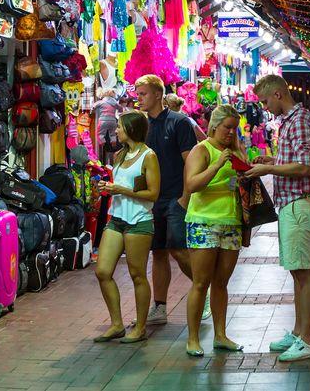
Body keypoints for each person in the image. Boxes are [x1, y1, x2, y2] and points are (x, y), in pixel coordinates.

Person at [245, 75, 310, 362]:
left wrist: (269, 171)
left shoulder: (299, 121)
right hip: (292, 202)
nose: (265, 108)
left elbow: (303, 166)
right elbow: (294, 161)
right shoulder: (291, 121)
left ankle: (307, 338)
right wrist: (272, 162)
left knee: (303, 270)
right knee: (296, 270)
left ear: (278, 94)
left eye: (265, 101)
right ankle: (297, 331)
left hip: (300, 202)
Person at [133, 74, 207, 325]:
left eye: (142, 94)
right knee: (158, 252)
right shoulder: (140, 125)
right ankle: (160, 307)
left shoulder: (179, 123)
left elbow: (191, 162)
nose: (138, 98)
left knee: (178, 248)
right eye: (137, 93)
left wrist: (185, 197)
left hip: (175, 197)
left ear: (157, 94)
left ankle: (202, 289)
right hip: (151, 199)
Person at [183, 105, 245, 357]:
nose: (231, 133)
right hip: (203, 222)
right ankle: (193, 338)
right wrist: (218, 164)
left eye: (234, 128)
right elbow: (192, 185)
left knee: (221, 282)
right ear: (214, 126)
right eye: (227, 127)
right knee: (200, 282)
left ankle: (221, 335)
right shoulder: (202, 150)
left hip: (231, 221)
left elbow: (236, 180)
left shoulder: (235, 150)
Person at [93, 111, 161, 343]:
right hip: (117, 218)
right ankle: (116, 323)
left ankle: (140, 327)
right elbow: (119, 184)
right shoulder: (120, 155)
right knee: (102, 271)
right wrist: (108, 187)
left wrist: (121, 190)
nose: (117, 130)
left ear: (131, 129)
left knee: (137, 274)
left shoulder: (148, 156)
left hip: (139, 220)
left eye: (120, 126)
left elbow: (153, 193)